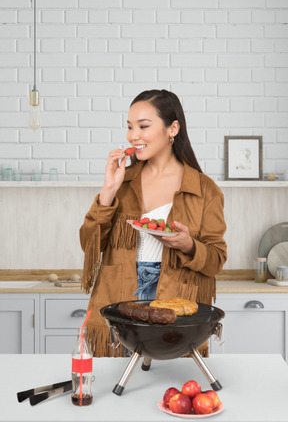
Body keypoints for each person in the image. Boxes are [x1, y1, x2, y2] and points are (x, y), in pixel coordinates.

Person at [79, 89, 227, 357]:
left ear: (173, 128)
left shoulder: (205, 190)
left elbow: (216, 258)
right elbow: (89, 245)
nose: (133, 135)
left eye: (143, 126)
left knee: (167, 383)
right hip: (120, 294)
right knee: (121, 382)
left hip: (174, 296)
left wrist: (189, 246)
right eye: (129, 127)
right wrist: (108, 193)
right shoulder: (122, 183)